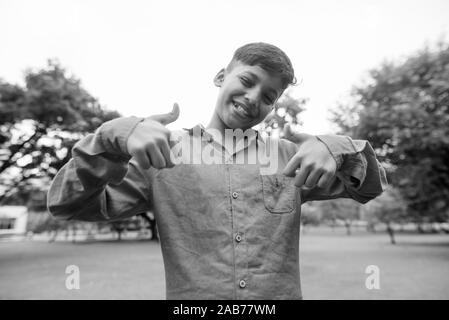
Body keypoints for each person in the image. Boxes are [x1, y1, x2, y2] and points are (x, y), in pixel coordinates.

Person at [47, 42, 387, 299]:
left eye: (269, 96)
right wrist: (112, 137)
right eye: (247, 80)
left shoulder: (289, 157)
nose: (254, 98)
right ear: (221, 77)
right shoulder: (164, 154)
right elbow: (67, 204)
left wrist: (338, 148)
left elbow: (370, 186)